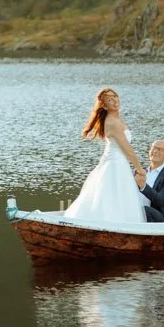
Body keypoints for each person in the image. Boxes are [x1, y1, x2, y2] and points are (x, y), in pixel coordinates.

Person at [64, 87, 148, 226]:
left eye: (115, 96)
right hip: (116, 164)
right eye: (109, 99)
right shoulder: (113, 122)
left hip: (117, 162)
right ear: (104, 105)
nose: (115, 101)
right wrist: (140, 170)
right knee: (113, 197)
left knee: (117, 197)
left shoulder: (116, 119)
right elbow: (128, 150)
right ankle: (111, 226)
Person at [140, 141, 164, 223]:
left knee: (145, 210)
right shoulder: (139, 172)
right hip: (136, 210)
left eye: (160, 149)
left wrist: (143, 186)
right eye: (154, 148)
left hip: (158, 217)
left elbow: (162, 201)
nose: (155, 151)